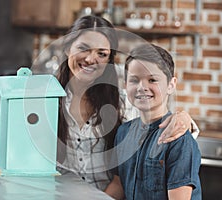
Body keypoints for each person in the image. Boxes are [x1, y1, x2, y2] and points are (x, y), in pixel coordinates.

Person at [55, 15, 199, 192]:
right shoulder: (46, 99)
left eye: (102, 54)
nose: (91, 59)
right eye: (84, 48)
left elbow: (159, 124)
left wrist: (184, 119)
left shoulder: (124, 103)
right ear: (68, 48)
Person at [104, 43, 202, 199]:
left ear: (171, 85)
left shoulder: (179, 140)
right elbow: (118, 185)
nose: (142, 87)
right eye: (134, 80)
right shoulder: (123, 133)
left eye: (152, 80)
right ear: (125, 85)